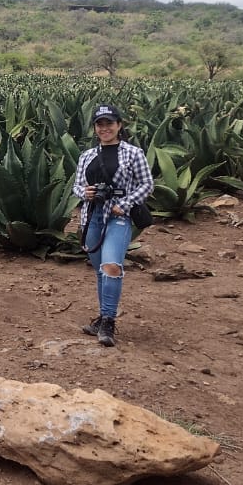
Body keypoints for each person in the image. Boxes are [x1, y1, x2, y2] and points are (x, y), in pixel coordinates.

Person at [71, 103, 154, 347]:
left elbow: (147, 184)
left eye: (109, 123)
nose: (104, 128)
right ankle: (102, 317)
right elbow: (76, 185)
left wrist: (126, 203)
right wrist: (84, 192)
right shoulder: (87, 155)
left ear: (119, 125)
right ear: (95, 128)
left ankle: (108, 321)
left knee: (111, 267)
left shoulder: (133, 153)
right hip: (92, 217)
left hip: (117, 217)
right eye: (100, 124)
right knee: (100, 270)